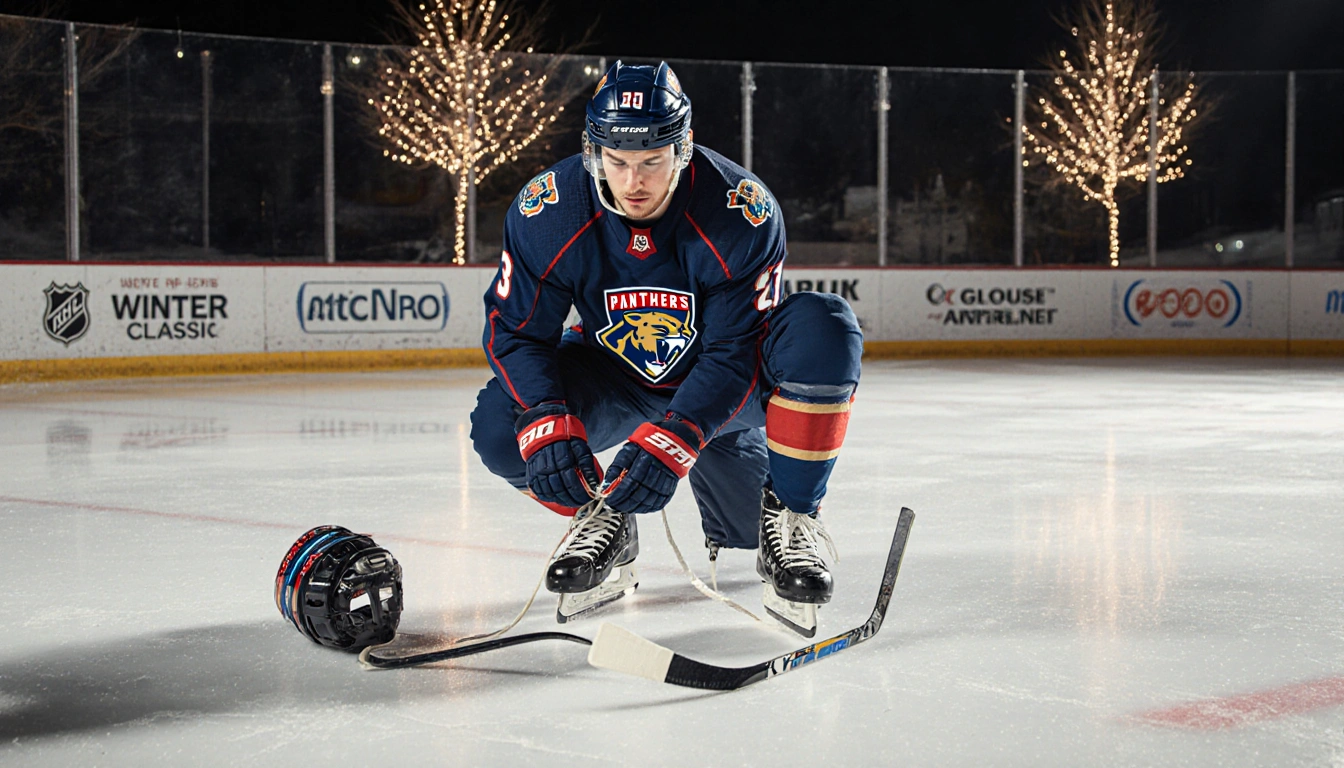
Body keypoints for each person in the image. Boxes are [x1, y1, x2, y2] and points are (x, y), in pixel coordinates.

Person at [469, 60, 863, 636]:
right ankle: (603, 516)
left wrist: (678, 438)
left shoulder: (741, 211)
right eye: (619, 161)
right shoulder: (548, 212)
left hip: (721, 386)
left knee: (823, 325)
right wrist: (547, 418)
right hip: (614, 381)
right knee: (502, 431)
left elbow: (733, 352)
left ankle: (793, 513)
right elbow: (516, 332)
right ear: (591, 150)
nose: (634, 183)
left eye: (652, 162)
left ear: (684, 149)